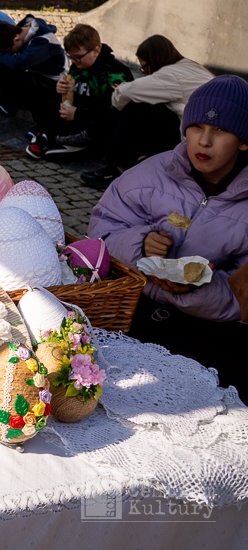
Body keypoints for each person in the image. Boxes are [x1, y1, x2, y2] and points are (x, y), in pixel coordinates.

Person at [88, 75, 248, 400]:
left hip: (207, 332)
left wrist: (199, 287)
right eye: (196, 127)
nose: (204, 141)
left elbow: (242, 301)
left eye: (220, 130)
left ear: (244, 141)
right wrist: (141, 244)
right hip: (133, 309)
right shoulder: (152, 173)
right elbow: (101, 232)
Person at [81, 35, 215, 190]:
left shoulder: (169, 75)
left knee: (135, 107)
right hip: (208, 133)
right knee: (153, 107)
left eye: (144, 67)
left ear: (154, 61)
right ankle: (137, 165)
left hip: (195, 138)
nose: (144, 72)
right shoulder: (191, 67)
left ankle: (117, 169)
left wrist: (118, 95)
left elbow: (125, 93)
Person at [23, 24, 132, 161]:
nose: (74, 62)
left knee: (98, 126)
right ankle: (62, 140)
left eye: (77, 57)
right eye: (71, 57)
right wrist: (60, 89)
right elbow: (72, 93)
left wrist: (77, 113)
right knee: (43, 96)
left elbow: (110, 111)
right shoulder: (79, 64)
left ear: (96, 51)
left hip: (97, 122)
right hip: (77, 116)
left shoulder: (114, 72)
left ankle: (49, 138)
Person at [0, 15, 66, 135]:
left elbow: (20, 63)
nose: (9, 53)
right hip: (34, 82)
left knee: (5, 66)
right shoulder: (20, 32)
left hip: (54, 88)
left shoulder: (44, 40)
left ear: (16, 39)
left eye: (8, 51)